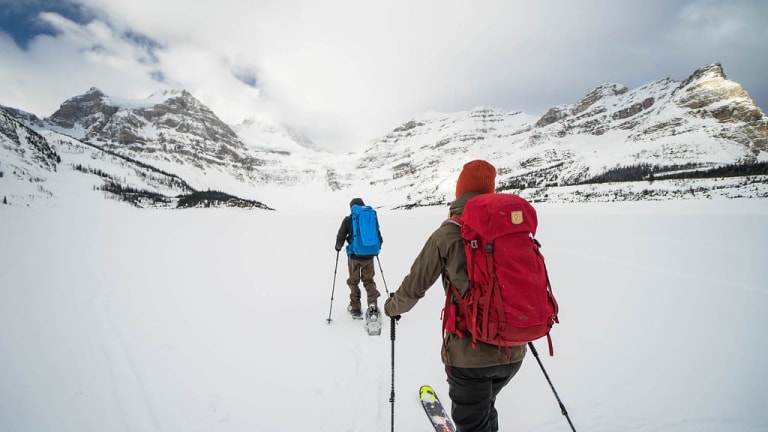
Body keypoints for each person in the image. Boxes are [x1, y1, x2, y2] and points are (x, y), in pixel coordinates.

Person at [384, 160, 525, 432]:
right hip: (513, 351)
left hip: (469, 357)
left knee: (474, 416)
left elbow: (415, 286)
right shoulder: (509, 228)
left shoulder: (448, 232)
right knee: (486, 405)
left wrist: (392, 307)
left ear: (460, 193)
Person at [335, 198, 382, 318]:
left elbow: (341, 235)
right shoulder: (370, 217)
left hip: (354, 256)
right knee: (369, 281)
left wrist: (338, 247)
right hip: (369, 256)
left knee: (353, 281)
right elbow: (378, 236)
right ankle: (372, 307)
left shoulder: (348, 219)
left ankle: (355, 308)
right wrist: (375, 250)